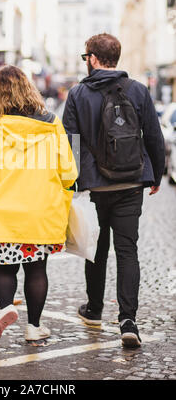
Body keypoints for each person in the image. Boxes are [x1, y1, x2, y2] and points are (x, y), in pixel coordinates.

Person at [62, 33, 165, 347]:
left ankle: (94, 309)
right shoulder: (138, 91)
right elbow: (154, 138)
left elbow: (71, 144)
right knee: (127, 250)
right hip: (131, 182)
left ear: (92, 58)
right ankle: (128, 319)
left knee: (96, 248)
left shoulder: (78, 94)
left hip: (94, 185)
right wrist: (156, 175)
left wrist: (72, 184)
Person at [0, 65, 77, 345]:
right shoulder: (51, 123)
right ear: (29, 87)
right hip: (40, 209)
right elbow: (68, 170)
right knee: (37, 269)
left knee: (2, 268)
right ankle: (34, 327)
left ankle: (5, 308)